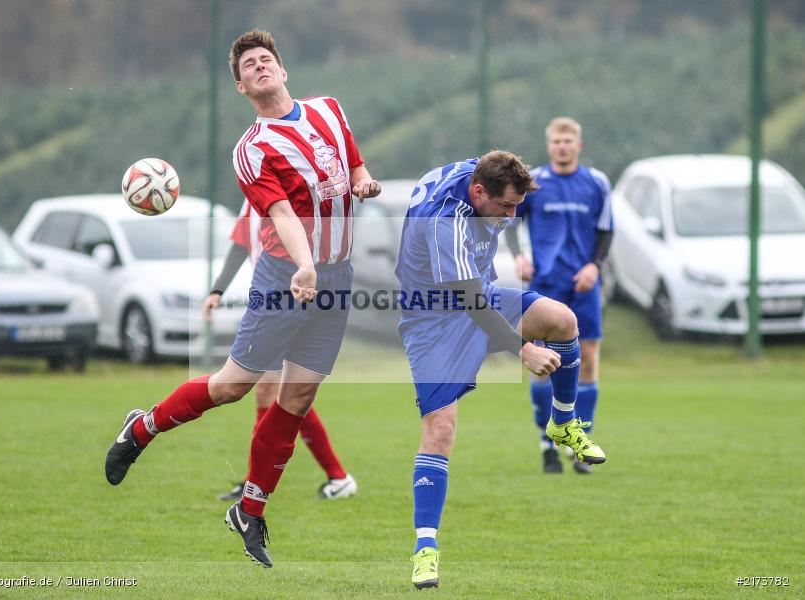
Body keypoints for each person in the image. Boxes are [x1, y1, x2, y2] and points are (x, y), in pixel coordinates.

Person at [104, 30, 380, 568]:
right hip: (284, 277)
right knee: (233, 386)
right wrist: (303, 265)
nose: (259, 66)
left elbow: (354, 161)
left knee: (297, 399)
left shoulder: (329, 110)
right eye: (248, 65)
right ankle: (143, 426)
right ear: (240, 86)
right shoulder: (252, 149)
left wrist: (364, 180)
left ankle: (250, 511)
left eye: (265, 59)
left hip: (338, 277)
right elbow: (280, 214)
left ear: (283, 70)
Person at [395, 151, 606, 589]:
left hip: (480, 295)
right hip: (432, 321)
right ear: (478, 192)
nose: (512, 216)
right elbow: (468, 297)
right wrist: (522, 349)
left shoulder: (485, 174)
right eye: (506, 206)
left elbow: (502, 170)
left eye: (518, 206)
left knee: (564, 320)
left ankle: (563, 424)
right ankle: (425, 550)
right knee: (441, 428)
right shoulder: (446, 220)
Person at [203, 200, 356, 502]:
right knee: (282, 394)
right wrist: (217, 290)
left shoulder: (289, 192)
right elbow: (240, 243)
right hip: (272, 299)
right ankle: (335, 477)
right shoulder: (253, 196)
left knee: (275, 392)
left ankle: (330, 476)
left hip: (293, 299)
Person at [504, 117, 613, 475]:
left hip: (583, 284)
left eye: (568, 140)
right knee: (543, 364)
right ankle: (546, 443)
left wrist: (594, 266)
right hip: (545, 286)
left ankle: (582, 442)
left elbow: (605, 231)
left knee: (589, 359)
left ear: (578, 145)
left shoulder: (596, 183)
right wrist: (519, 256)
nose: (562, 146)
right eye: (556, 141)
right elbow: (510, 222)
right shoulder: (535, 183)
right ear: (549, 145)